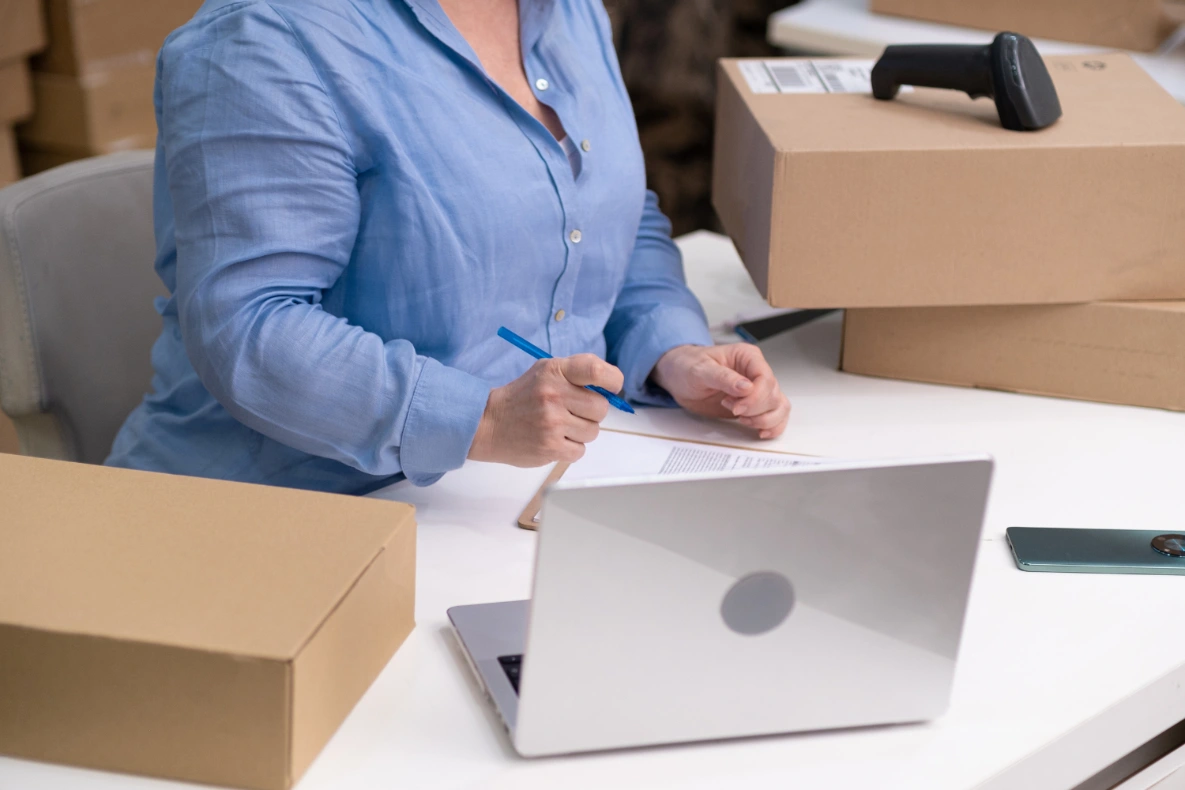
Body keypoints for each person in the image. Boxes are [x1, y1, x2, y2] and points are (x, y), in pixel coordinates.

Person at [106, 0, 791, 495]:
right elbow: (251, 329)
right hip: (298, 512)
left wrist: (672, 351)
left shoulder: (571, 11)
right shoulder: (266, 40)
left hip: (507, 493)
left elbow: (610, 211)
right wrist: (482, 420)